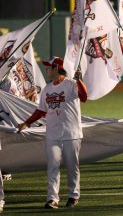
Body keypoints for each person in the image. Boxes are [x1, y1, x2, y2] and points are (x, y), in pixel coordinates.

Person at [18, 56, 88, 209]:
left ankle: (73, 195)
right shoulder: (47, 88)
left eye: (48, 67)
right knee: (53, 165)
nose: (46, 70)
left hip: (72, 133)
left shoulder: (71, 84)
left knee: (72, 165)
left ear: (56, 68)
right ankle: (52, 198)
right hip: (52, 133)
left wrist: (79, 81)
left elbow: (84, 97)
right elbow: (41, 110)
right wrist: (27, 123)